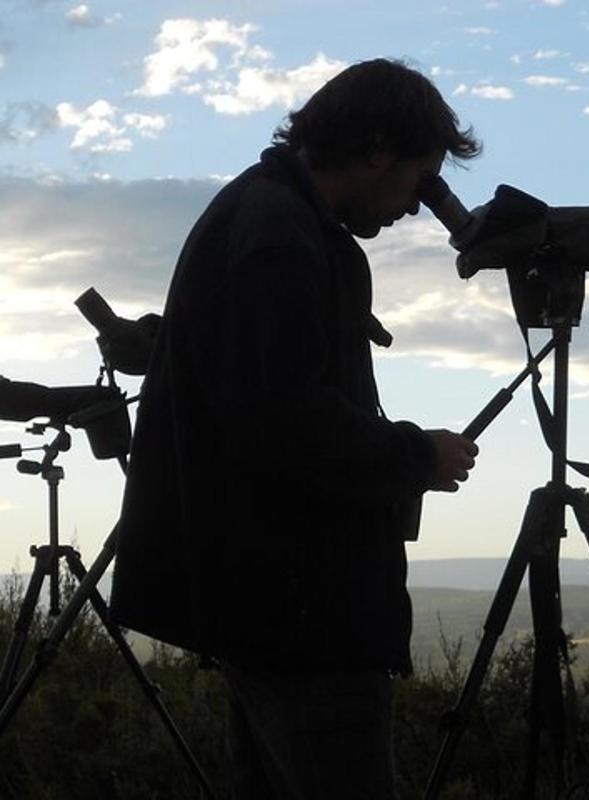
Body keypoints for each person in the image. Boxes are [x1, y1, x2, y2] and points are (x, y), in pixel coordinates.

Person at [108, 59, 480, 799]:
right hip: (302, 616)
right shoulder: (277, 235)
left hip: (263, 608)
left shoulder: (269, 215)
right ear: (377, 149)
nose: (415, 204)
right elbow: (288, 424)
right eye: (418, 175)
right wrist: (417, 456)